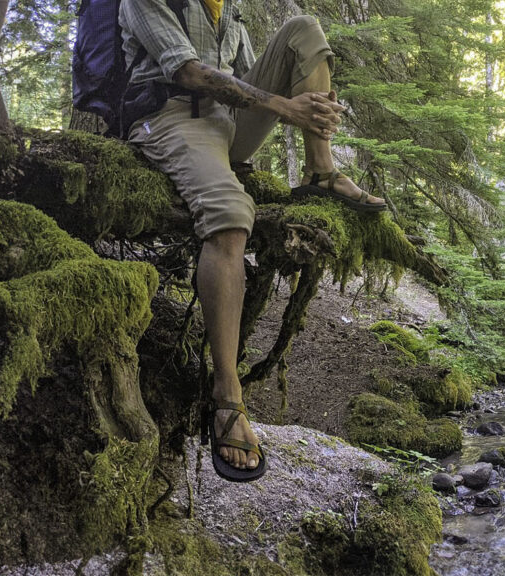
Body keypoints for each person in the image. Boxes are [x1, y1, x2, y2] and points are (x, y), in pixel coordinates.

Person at [119, 0, 387, 482]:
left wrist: (305, 106)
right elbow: (188, 72)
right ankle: (227, 397)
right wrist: (287, 107)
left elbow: (249, 85)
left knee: (303, 30)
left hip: (227, 124)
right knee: (230, 217)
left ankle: (322, 171)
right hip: (171, 117)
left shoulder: (229, 11)